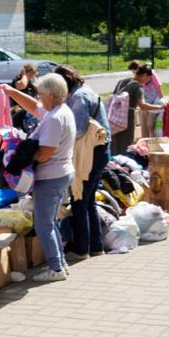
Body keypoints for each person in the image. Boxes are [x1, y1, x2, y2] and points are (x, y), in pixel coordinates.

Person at [1, 73, 76, 282]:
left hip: (51, 177)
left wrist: (18, 151)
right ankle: (60, 263)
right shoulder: (59, 110)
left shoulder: (54, 119)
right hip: (61, 174)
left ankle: (56, 269)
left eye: (41, 93)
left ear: (51, 94)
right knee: (51, 221)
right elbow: (34, 107)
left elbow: (44, 153)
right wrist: (12, 92)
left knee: (44, 224)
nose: (39, 96)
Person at [57, 64, 108, 257]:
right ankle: (96, 247)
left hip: (90, 154)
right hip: (98, 152)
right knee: (88, 201)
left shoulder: (79, 97)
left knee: (79, 200)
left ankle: (81, 249)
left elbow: (77, 130)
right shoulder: (85, 91)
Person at [110, 63, 163, 156]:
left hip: (114, 116)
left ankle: (113, 161)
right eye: (148, 78)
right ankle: (122, 163)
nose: (147, 81)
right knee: (125, 143)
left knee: (115, 141)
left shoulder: (122, 81)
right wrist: (160, 107)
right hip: (127, 118)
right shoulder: (138, 87)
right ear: (145, 75)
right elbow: (143, 106)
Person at [11, 62, 40, 133]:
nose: (32, 76)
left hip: (30, 112)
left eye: (33, 74)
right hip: (18, 111)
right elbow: (22, 85)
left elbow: (39, 90)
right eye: (30, 74)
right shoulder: (18, 80)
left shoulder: (31, 83)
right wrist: (24, 75)